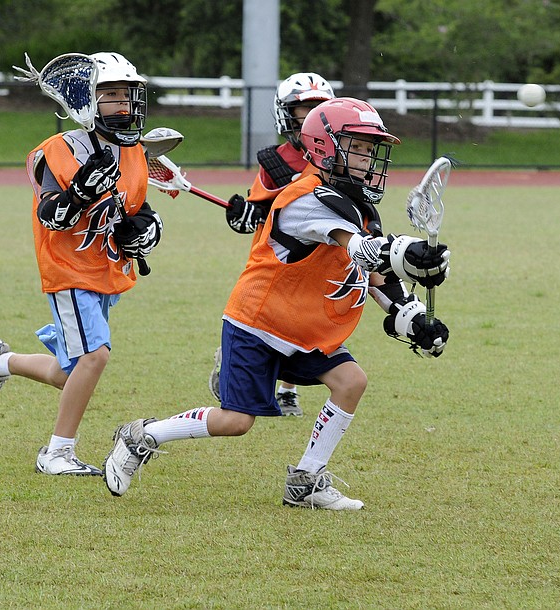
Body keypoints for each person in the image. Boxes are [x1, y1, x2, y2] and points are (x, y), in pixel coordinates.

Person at [102, 97, 451, 510]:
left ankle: (305, 480)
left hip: (306, 329)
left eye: (370, 149)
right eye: (357, 147)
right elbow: (359, 248)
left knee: (351, 381)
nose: (368, 158)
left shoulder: (360, 207)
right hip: (259, 323)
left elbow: (374, 274)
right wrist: (406, 252)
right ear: (325, 147)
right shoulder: (305, 197)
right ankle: (141, 436)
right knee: (236, 421)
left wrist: (409, 317)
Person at [0, 52, 163, 476]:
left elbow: (135, 208)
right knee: (95, 357)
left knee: (67, 372)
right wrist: (79, 193)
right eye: (112, 95)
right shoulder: (60, 150)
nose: (125, 105)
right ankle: (56, 453)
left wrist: (145, 231)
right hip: (67, 268)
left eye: (128, 95)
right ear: (85, 99)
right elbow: (52, 215)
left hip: (104, 270)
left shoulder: (131, 152)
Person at [209, 72, 336, 417]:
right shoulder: (275, 160)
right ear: (286, 113)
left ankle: (288, 388)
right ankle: (247, 367)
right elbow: (257, 210)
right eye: (303, 108)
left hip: (322, 256)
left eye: (318, 108)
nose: (311, 116)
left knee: (308, 316)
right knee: (280, 316)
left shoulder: (336, 161)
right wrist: (244, 211)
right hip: (281, 258)